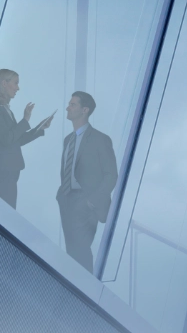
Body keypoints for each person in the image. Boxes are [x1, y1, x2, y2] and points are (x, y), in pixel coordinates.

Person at [55, 91, 117, 269]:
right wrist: (62, 196)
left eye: (72, 105)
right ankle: (74, 288)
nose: (68, 107)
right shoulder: (68, 140)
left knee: (80, 251)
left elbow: (111, 174)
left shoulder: (100, 139)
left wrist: (91, 201)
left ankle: (83, 291)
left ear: (85, 110)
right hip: (67, 199)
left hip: (85, 202)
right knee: (71, 251)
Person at [0, 69, 51, 207]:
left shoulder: (3, 108)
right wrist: (25, 120)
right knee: (2, 216)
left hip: (8, 173)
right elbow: (7, 139)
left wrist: (39, 129)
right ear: (4, 83)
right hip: (1, 173)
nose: (18, 88)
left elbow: (16, 140)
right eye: (15, 83)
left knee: (7, 215)